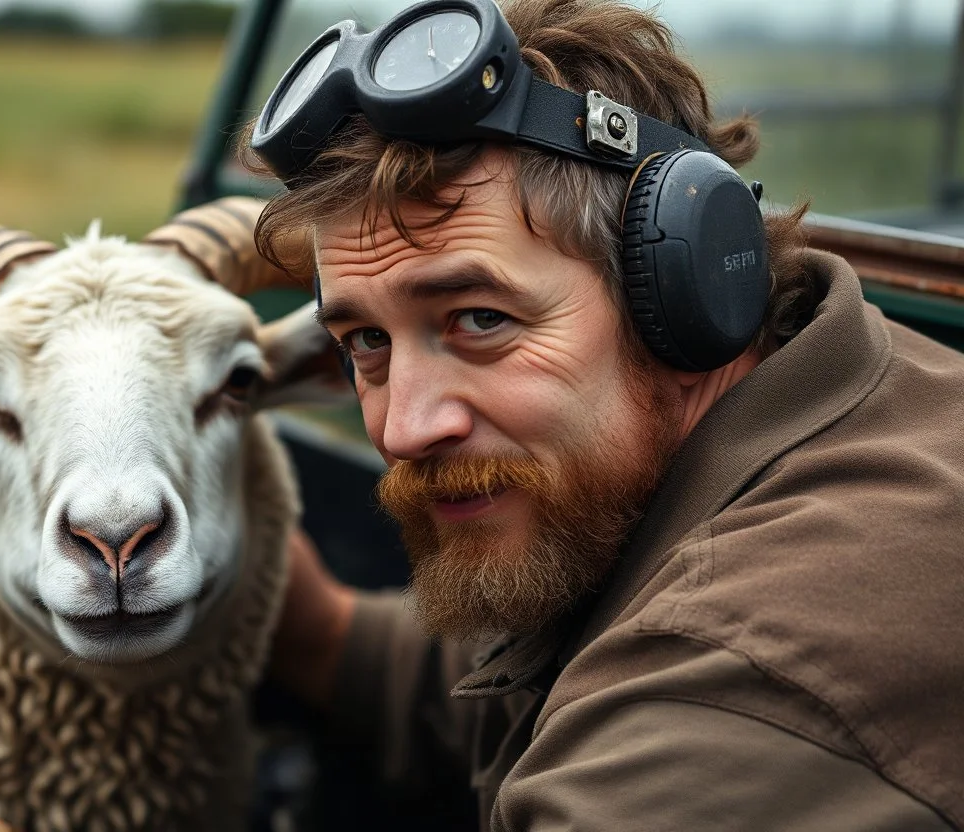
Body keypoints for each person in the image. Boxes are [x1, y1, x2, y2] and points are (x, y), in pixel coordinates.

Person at [242, 0, 964, 829]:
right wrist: (295, 617)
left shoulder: (733, 698)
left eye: (479, 320)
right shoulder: (793, 404)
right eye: (367, 340)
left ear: (691, 291)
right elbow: (493, 675)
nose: (404, 429)